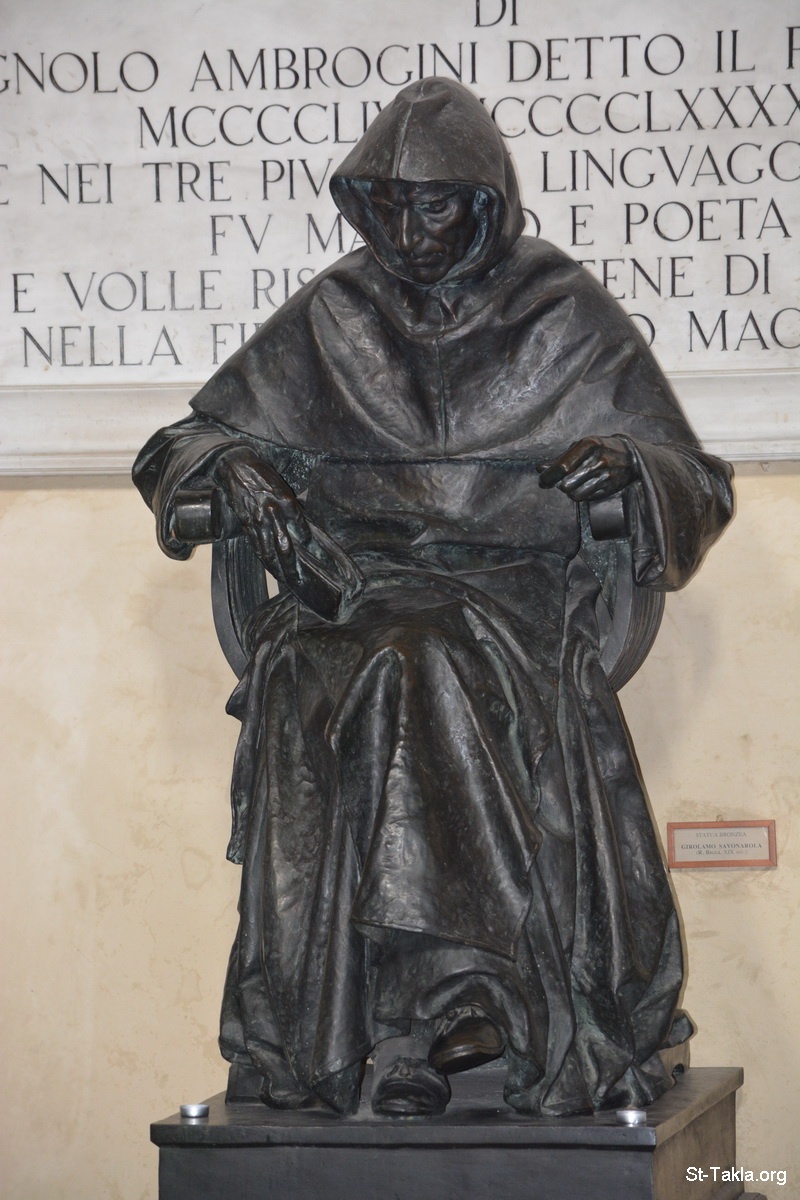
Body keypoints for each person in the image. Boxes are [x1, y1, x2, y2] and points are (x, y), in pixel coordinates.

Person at [133, 77, 733, 1119]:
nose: (411, 234)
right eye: (391, 207)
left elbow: (696, 479)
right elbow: (178, 446)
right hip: (350, 596)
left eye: (437, 205)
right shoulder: (338, 310)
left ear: (486, 203)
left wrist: (630, 465)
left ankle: (433, 1011)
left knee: (409, 661)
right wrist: (232, 468)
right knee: (379, 657)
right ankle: (438, 1007)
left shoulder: (559, 307)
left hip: (507, 599)